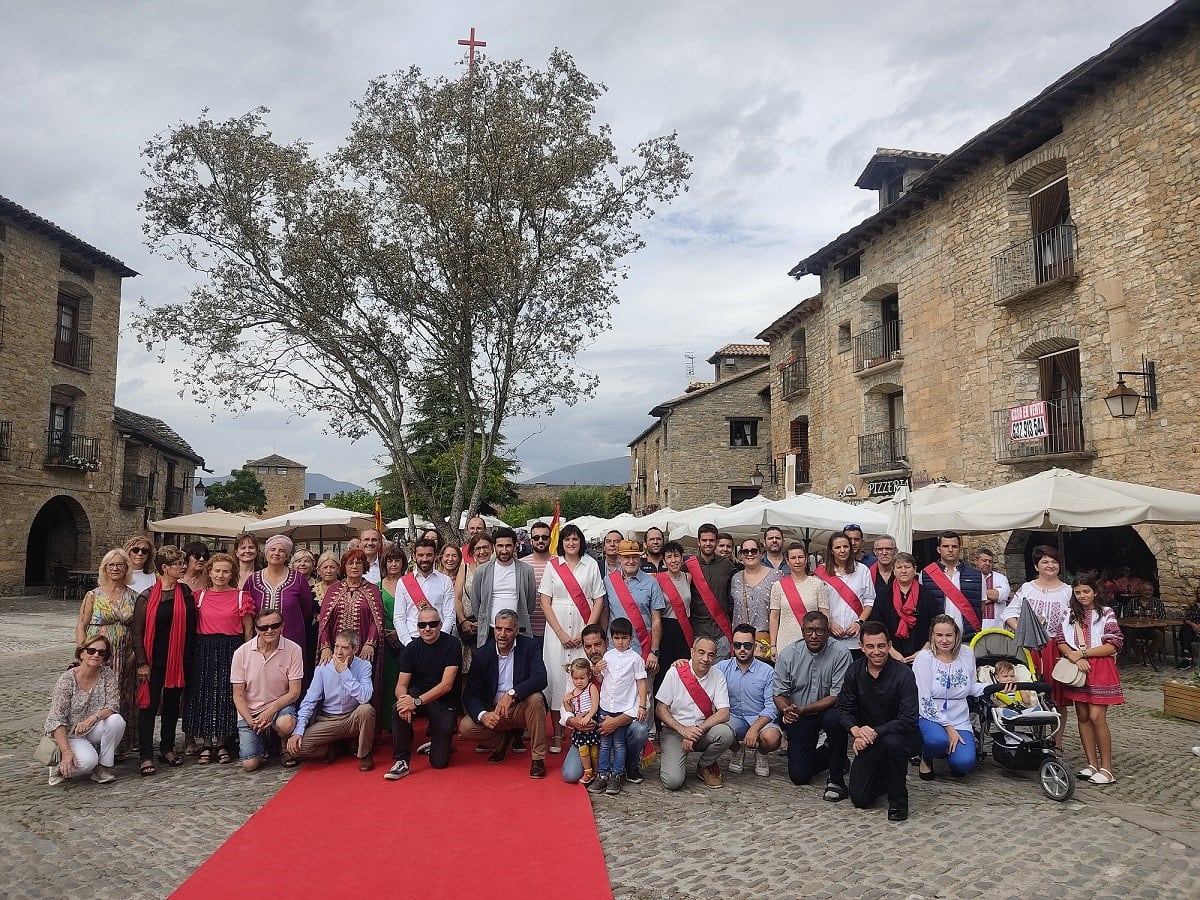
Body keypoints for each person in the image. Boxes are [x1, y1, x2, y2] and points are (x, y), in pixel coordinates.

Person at [837, 621, 920, 821]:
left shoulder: (904, 674)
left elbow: (908, 719)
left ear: (890, 645)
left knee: (893, 743)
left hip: (900, 736)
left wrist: (875, 732)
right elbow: (843, 708)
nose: (877, 651)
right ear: (862, 647)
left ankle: (899, 801)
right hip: (868, 738)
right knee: (860, 798)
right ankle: (885, 775)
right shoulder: (854, 671)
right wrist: (856, 731)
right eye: (871, 646)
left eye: (881, 646)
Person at [457, 610, 550, 778]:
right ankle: (501, 743)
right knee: (466, 726)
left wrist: (512, 694)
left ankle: (538, 759)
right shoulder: (482, 654)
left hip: (520, 706)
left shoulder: (529, 646)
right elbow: (470, 694)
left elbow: (540, 678)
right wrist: (484, 715)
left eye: (507, 630)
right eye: (498, 629)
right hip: (494, 711)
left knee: (536, 699)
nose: (502, 634)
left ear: (516, 631)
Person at [132, 545, 198, 776]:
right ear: (164, 568)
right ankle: (146, 755)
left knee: (172, 705)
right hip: (154, 660)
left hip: (179, 659)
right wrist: (142, 663)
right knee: (148, 707)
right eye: (178, 564)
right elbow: (137, 632)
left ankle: (167, 747)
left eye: (182, 563)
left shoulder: (186, 592)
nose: (183, 567)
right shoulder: (147, 597)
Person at [539, 522, 605, 752]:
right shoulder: (552, 566)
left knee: (583, 678)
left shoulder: (591, 565)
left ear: (581, 541)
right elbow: (545, 601)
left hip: (582, 624)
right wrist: (560, 632)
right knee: (557, 678)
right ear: (561, 542)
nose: (571, 543)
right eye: (567, 539)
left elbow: (598, 599)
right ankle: (557, 733)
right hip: (556, 630)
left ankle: (583, 728)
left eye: (575, 539)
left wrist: (586, 631)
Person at [560, 623, 653, 786]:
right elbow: (567, 701)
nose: (593, 650)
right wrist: (571, 720)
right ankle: (601, 769)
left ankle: (629, 765)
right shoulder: (580, 669)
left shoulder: (627, 661)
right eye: (588, 646)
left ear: (606, 642)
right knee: (570, 774)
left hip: (620, 722)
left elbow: (642, 697)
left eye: (597, 644)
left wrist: (616, 722)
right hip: (589, 730)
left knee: (639, 729)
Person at [1054, 574, 1124, 785]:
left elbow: (1114, 644)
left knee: (1096, 717)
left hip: (1100, 667)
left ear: (1095, 592)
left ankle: (1107, 768)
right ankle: (1092, 763)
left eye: (1086, 591)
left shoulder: (1106, 613)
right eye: (1078, 592)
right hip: (1077, 668)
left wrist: (1083, 654)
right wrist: (1072, 656)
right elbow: (1060, 640)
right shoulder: (1068, 614)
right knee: (1083, 715)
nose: (1082, 595)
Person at [184, 552, 254, 765]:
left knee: (226, 695)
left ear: (232, 573)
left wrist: (246, 656)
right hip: (204, 648)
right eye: (217, 571)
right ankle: (206, 743)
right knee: (204, 695)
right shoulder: (199, 596)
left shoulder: (241, 596)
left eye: (225, 571)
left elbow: (248, 630)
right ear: (210, 572)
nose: (221, 575)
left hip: (232, 647)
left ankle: (223, 743)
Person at [773, 610, 852, 795]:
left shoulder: (841, 653)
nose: (814, 636)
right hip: (798, 713)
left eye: (819, 631)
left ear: (828, 632)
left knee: (835, 719)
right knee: (799, 775)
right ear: (802, 631)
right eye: (809, 631)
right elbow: (779, 693)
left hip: (828, 710)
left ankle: (836, 776)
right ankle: (833, 757)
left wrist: (804, 709)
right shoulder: (788, 654)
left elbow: (837, 696)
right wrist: (787, 710)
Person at [1002, 544, 1073, 741]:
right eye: (1045, 562)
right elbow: (1009, 613)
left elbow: (1074, 620)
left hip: (1056, 648)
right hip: (1029, 648)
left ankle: (1056, 742)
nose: (1050, 565)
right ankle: (1033, 737)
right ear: (1036, 566)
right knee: (1030, 692)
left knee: (1056, 698)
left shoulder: (1068, 591)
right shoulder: (1027, 589)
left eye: (1054, 561)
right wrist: (1023, 629)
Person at [386, 605, 463, 780]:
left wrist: (416, 702)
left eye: (432, 624)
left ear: (440, 624)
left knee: (439, 762)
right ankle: (401, 760)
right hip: (418, 696)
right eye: (422, 625)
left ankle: (438, 744)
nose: (427, 628)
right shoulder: (411, 648)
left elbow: (446, 685)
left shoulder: (452, 644)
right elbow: (401, 685)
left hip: (444, 701)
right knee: (397, 708)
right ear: (417, 626)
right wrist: (404, 701)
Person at [287, 629, 376, 771]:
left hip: (352, 718)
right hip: (329, 720)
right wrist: (298, 730)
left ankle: (364, 754)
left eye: (345, 648)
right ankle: (331, 748)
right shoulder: (323, 667)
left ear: (355, 649)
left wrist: (345, 673)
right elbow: (310, 700)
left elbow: (365, 697)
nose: (339, 652)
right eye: (336, 646)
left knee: (366, 709)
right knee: (295, 749)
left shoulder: (364, 666)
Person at [44, 635, 127, 785]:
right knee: (87, 763)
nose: (96, 655)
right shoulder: (67, 681)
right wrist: (67, 752)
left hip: (92, 727)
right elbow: (56, 720)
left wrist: (92, 719)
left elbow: (113, 705)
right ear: (82, 653)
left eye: (101, 652)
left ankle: (102, 768)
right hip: (70, 733)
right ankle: (58, 763)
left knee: (116, 721)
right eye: (91, 650)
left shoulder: (106, 674)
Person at [655, 637, 734, 790]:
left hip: (701, 730)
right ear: (692, 652)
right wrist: (683, 731)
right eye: (701, 653)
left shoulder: (718, 675)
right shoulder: (675, 672)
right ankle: (672, 758)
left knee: (726, 733)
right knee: (672, 782)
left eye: (711, 655)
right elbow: (660, 709)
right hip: (675, 731)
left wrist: (697, 730)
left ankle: (704, 766)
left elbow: (724, 713)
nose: (705, 659)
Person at [230, 608, 303, 772]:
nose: (269, 630)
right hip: (251, 712)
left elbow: (294, 692)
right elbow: (238, 695)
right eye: (264, 627)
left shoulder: (294, 650)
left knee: (286, 724)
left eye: (275, 625)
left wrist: (270, 711)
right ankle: (262, 742)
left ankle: (284, 745)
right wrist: (251, 721)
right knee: (250, 765)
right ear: (256, 629)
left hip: (279, 706)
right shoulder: (241, 653)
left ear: (282, 626)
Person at [913, 614, 984, 780]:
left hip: (959, 717)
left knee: (964, 764)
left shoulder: (966, 653)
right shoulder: (924, 658)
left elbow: (971, 685)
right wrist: (948, 727)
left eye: (948, 635)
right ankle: (926, 758)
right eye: (939, 635)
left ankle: (954, 756)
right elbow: (923, 699)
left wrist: (993, 689)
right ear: (932, 636)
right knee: (938, 741)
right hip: (929, 714)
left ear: (956, 635)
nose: (944, 640)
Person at [75, 549, 138, 733]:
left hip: (125, 655)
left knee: (122, 695)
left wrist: (133, 655)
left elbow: (138, 629)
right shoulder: (93, 595)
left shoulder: (134, 596)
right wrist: (83, 653)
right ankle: (90, 735)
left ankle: (119, 743)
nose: (115, 568)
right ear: (104, 568)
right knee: (96, 692)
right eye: (111, 565)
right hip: (98, 653)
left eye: (120, 564)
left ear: (127, 568)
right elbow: (81, 625)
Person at [588, 618, 648, 796]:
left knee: (619, 744)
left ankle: (617, 774)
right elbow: (602, 679)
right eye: (616, 638)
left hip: (622, 708)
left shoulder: (635, 659)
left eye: (624, 638)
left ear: (631, 638)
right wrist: (596, 670)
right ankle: (603, 774)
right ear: (611, 638)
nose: (620, 642)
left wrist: (642, 705)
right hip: (606, 705)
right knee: (605, 743)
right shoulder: (608, 655)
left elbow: (641, 683)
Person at [715, 623, 782, 778]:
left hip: (759, 718)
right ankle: (737, 751)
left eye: (747, 645)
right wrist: (681, 664)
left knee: (772, 738)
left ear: (754, 645)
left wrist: (755, 728)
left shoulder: (767, 671)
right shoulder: (722, 667)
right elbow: (701, 672)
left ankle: (762, 754)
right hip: (733, 718)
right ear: (733, 645)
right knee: (717, 729)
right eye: (737, 645)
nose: (742, 649)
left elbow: (772, 707)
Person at [244, 534, 315, 679]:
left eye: (281, 550)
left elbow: (306, 610)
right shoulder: (252, 580)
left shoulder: (298, 579)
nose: (276, 553)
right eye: (273, 549)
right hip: (260, 640)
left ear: (287, 555)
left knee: (291, 679)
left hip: (291, 639)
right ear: (266, 552)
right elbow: (247, 611)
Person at [604, 540, 666, 671]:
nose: (631, 561)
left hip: (642, 649)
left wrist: (654, 651)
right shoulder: (608, 581)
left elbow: (656, 620)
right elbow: (605, 614)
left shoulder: (651, 582)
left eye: (635, 557)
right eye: (626, 557)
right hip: (615, 649)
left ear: (640, 558)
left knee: (644, 690)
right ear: (619, 558)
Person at [472, 527, 535, 646]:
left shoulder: (527, 571)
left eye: (508, 546)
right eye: (500, 546)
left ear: (515, 546)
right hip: (490, 630)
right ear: (494, 547)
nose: (504, 550)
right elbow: (476, 602)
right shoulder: (482, 571)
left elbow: (530, 603)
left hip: (518, 631)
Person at [816, 532, 875, 657]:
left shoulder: (863, 570)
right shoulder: (821, 572)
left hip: (857, 640)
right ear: (831, 550)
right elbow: (817, 603)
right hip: (830, 639)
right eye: (837, 547)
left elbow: (869, 601)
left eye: (845, 546)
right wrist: (829, 622)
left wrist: (859, 623)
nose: (842, 550)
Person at [873, 552, 938, 664]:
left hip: (923, 653)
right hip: (890, 653)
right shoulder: (883, 594)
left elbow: (935, 624)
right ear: (893, 570)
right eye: (899, 567)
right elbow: (877, 624)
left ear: (914, 569)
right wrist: (891, 651)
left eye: (907, 567)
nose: (903, 571)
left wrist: (924, 651)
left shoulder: (927, 594)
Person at [921, 531, 983, 643]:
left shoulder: (977, 575)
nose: (950, 550)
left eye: (954, 546)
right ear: (938, 549)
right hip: (938, 640)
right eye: (946, 546)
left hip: (968, 639)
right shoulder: (925, 574)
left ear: (959, 549)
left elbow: (981, 605)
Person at [392, 539, 456, 646]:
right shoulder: (403, 582)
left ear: (435, 556)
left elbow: (450, 616)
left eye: (429, 555)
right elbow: (399, 618)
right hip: (412, 639)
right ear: (414, 557)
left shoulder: (445, 581)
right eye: (421, 555)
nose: (425, 559)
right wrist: (408, 644)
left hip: (439, 641)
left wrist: (441, 640)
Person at [688, 524, 737, 661]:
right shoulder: (688, 566)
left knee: (721, 675)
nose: (708, 544)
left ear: (716, 542)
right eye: (704, 540)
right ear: (698, 542)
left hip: (721, 631)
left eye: (711, 540)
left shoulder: (727, 565)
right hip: (698, 631)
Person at [769, 542, 823, 658]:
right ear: (787, 561)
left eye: (800, 557)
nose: (797, 561)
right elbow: (774, 617)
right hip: (785, 642)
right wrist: (773, 645)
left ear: (806, 559)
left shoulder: (818, 584)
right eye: (793, 558)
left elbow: (824, 615)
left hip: (812, 641)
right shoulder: (778, 586)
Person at [729, 538, 782, 659]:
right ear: (741, 555)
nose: (749, 554)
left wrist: (774, 644)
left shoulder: (776, 576)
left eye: (753, 550)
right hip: (741, 644)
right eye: (745, 551)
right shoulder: (736, 578)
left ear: (761, 552)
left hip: (767, 642)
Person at [653, 541, 694, 678]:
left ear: (682, 558)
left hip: (685, 628)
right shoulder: (657, 579)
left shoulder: (688, 577)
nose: (673, 560)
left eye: (676, 556)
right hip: (666, 629)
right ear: (664, 560)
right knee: (665, 670)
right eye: (669, 557)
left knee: (684, 668)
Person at [379, 544, 409, 709]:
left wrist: (400, 633)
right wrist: (385, 633)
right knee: (388, 680)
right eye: (390, 560)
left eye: (397, 560)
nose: (394, 564)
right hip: (385, 641)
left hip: (406, 638)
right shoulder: (377, 586)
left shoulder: (411, 584)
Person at [563, 658, 601, 785]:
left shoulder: (591, 688)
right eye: (575, 679)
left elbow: (595, 705)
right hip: (579, 727)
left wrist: (588, 716)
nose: (578, 682)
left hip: (590, 723)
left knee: (594, 750)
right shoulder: (572, 692)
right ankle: (588, 771)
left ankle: (597, 771)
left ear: (589, 676)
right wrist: (565, 702)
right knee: (583, 750)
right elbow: (571, 710)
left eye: (582, 678)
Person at [456, 532, 493, 650]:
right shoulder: (464, 568)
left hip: (492, 627)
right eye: (478, 548)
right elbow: (457, 597)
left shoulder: (498, 569)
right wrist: (463, 621)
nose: (482, 552)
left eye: (485, 547)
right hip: (469, 626)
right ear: (472, 551)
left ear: (492, 548)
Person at [524, 521, 554, 644]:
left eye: (544, 537)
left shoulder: (560, 563)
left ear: (550, 539)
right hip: (527, 630)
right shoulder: (522, 564)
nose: (540, 540)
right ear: (531, 541)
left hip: (554, 629)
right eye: (536, 537)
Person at [1126, 582, 1166, 665]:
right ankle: (1139, 655)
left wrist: (1155, 619)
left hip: (1151, 629)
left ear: (1153, 592)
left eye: (1150, 590)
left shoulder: (1157, 602)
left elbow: (1163, 617)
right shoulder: (1133, 602)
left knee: (1159, 634)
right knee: (1128, 632)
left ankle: (1149, 655)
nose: (1147, 592)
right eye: (1145, 590)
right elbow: (1127, 617)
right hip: (1136, 629)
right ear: (1140, 591)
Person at [975, 547, 1011, 630]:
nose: (987, 563)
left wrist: (978, 595)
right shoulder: (970, 577)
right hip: (976, 625)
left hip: (997, 625)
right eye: (984, 560)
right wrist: (991, 597)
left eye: (990, 561)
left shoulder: (1001, 578)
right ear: (976, 561)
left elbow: (1002, 596)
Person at [1179, 584, 1200, 669]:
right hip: (1194, 629)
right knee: (1185, 628)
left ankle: (1187, 658)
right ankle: (1187, 654)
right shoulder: (1193, 606)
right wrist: (1193, 625)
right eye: (1199, 593)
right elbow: (1186, 619)